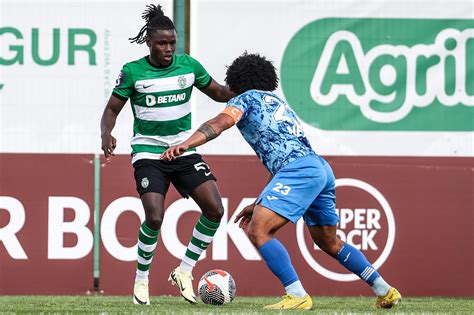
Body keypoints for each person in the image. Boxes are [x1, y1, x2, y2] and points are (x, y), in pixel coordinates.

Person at [161, 52, 402, 310]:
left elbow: (220, 124)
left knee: (258, 230)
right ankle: (384, 290)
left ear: (237, 80)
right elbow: (281, 160)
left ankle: (297, 294)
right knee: (329, 242)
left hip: (299, 170)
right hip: (318, 168)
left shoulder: (246, 98)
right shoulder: (277, 103)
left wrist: (187, 143)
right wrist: (259, 201)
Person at [100, 4, 235, 306]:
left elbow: (218, 92)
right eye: (162, 43)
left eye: (172, 42)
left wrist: (246, 86)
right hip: (148, 154)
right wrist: (105, 133)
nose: (168, 48)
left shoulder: (188, 67)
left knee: (215, 210)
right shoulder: (133, 71)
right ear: (149, 42)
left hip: (183, 150)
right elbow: (111, 109)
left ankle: (184, 271)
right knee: (155, 216)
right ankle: (142, 279)